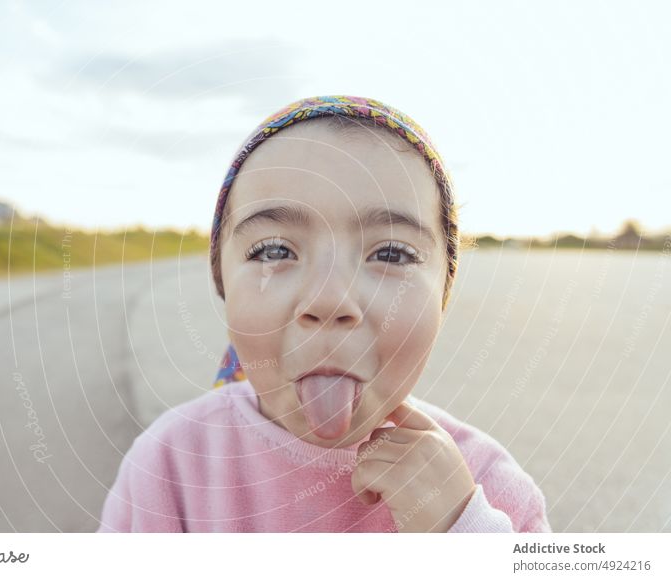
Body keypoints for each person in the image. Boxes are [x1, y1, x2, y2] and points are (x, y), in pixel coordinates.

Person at [96, 95, 551, 532]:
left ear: (443, 293)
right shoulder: (170, 465)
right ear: (223, 283)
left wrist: (461, 533)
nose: (330, 301)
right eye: (274, 250)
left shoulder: (487, 488)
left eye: (391, 254)